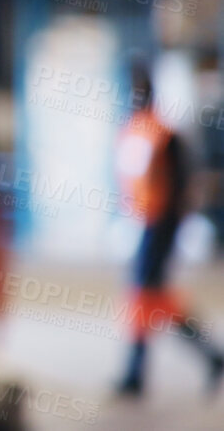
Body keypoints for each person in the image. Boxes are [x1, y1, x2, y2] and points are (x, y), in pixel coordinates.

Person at [114, 55, 223, 398]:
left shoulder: (163, 134)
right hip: (143, 224)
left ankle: (135, 373)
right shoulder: (135, 129)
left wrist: (171, 226)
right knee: (153, 299)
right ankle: (210, 356)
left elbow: (181, 184)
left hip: (159, 226)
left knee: (143, 296)